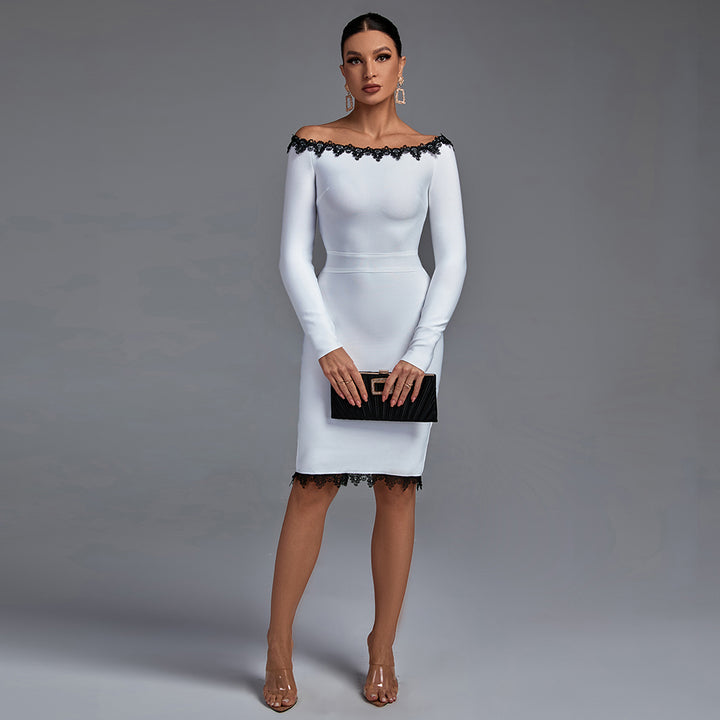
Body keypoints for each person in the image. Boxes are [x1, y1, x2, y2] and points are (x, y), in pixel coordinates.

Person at [264, 11, 467, 712]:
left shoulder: (435, 153)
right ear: (342, 70)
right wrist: (326, 345)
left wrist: (421, 351)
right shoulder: (312, 145)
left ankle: (382, 646)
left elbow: (452, 262)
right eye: (355, 58)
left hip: (410, 336)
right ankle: (278, 646)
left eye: (382, 56)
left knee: (397, 490)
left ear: (402, 67)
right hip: (334, 335)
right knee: (311, 487)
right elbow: (293, 256)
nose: (369, 70)